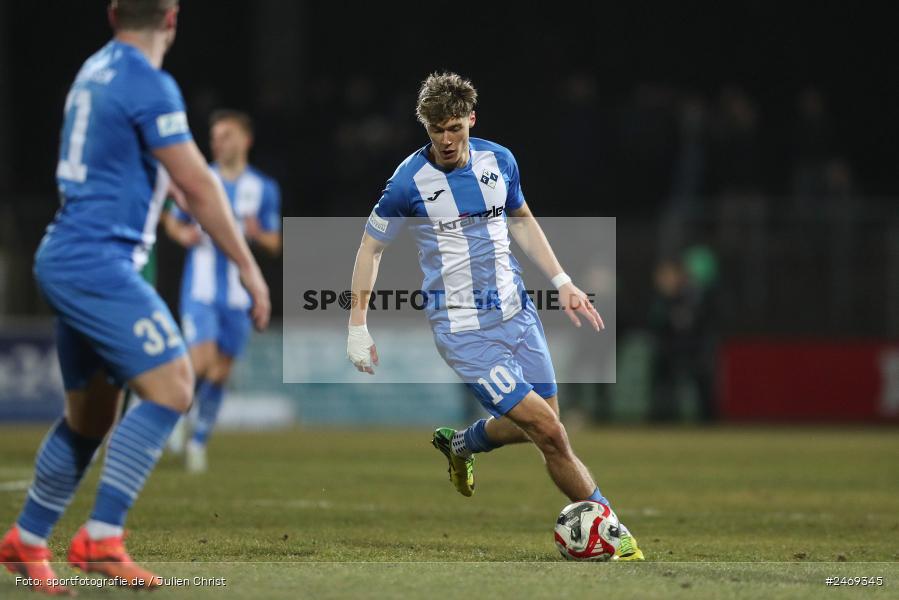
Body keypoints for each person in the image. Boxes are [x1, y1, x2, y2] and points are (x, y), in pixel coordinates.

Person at [0, 1, 270, 594]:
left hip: (69, 253)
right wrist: (248, 267)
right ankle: (101, 538)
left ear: (112, 14)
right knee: (174, 385)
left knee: (93, 415)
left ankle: (26, 539)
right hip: (98, 261)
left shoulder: (93, 71)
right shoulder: (148, 82)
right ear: (171, 21)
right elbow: (197, 184)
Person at [346, 72, 643, 561]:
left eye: (455, 128)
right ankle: (609, 526)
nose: (446, 139)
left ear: (471, 120)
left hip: (518, 314)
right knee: (550, 433)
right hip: (463, 330)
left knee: (547, 419)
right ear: (425, 127)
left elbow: (521, 220)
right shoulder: (407, 183)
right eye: (436, 129)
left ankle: (462, 444)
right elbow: (370, 249)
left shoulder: (499, 161)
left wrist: (562, 282)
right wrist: (357, 324)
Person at [163, 109, 282, 472]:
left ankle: (199, 441)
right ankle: (176, 416)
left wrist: (255, 233)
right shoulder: (199, 179)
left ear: (245, 140)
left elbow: (274, 243)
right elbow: (172, 219)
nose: (217, 142)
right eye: (214, 136)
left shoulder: (263, 188)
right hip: (200, 290)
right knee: (200, 362)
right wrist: (181, 233)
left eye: (225, 135)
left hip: (238, 294)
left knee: (220, 372)